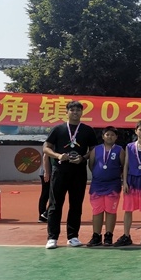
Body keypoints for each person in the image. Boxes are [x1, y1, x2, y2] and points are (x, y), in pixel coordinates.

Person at [43, 100, 98, 249]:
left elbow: (93, 149)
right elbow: (46, 148)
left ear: (82, 112)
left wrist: (83, 158)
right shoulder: (58, 129)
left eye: (78, 110)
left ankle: (73, 236)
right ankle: (52, 237)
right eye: (72, 110)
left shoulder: (87, 130)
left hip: (78, 171)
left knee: (76, 204)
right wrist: (58, 156)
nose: (75, 112)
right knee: (55, 204)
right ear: (66, 112)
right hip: (60, 171)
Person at [114, 120, 141, 247]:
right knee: (128, 210)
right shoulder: (129, 146)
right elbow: (126, 165)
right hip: (131, 181)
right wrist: (125, 182)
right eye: (140, 129)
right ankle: (126, 235)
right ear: (136, 131)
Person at [87, 126, 125, 247]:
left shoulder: (119, 150)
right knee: (97, 211)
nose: (110, 137)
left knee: (111, 211)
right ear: (103, 136)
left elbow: (123, 166)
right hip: (97, 185)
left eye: (112, 135)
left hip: (113, 185)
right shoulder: (96, 150)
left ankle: (108, 236)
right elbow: (91, 165)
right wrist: (99, 175)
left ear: (116, 137)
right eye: (107, 134)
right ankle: (96, 236)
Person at [38, 153, 51, 223]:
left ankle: (44, 215)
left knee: (48, 194)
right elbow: (45, 157)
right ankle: (43, 215)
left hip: (52, 172)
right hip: (48, 172)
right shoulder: (50, 146)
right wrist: (46, 172)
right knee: (45, 194)